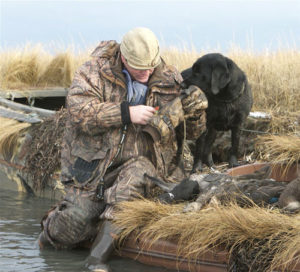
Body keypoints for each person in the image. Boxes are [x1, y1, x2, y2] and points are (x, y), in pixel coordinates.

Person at [38, 27, 207, 272]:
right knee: (72, 227)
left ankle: (96, 261)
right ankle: (53, 225)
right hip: (96, 172)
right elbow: (78, 113)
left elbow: (192, 134)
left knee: (136, 175)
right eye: (141, 68)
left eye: (151, 66)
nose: (148, 73)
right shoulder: (93, 72)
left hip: (146, 168)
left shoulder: (170, 78)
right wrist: (126, 113)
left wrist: (195, 114)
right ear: (124, 59)